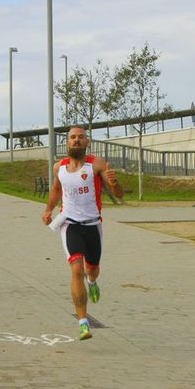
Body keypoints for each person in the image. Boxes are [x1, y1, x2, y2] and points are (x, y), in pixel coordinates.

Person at [43, 125, 124, 340]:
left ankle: (93, 282)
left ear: (87, 142)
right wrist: (48, 210)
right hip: (70, 224)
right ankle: (83, 322)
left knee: (92, 269)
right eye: (72, 137)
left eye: (81, 137)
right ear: (67, 142)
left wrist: (115, 183)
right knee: (77, 269)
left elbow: (119, 194)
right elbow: (56, 190)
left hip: (93, 225)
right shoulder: (59, 167)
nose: (76, 140)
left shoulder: (97, 164)